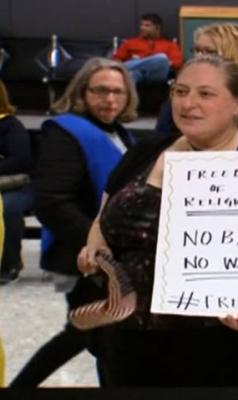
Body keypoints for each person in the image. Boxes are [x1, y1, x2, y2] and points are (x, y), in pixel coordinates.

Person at [78, 54, 238, 387]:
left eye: (205, 94)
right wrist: (94, 248)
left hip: (226, 350)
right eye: (180, 91)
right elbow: (102, 219)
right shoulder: (146, 150)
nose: (188, 103)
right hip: (129, 345)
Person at [10, 57, 138, 387]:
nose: (110, 100)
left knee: (95, 337)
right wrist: (98, 245)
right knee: (98, 337)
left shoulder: (118, 133)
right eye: (101, 91)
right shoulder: (66, 133)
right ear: (82, 92)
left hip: (112, 259)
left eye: (118, 93)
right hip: (86, 259)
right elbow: (52, 201)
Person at [155, 23, 238, 139]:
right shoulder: (181, 92)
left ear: (232, 55)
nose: (199, 57)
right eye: (197, 50)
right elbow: (161, 137)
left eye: (209, 52)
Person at [0, 80, 33, 285]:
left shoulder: (10, 124)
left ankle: (9, 264)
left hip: (16, 186)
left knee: (8, 208)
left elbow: (21, 161)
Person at [112, 13, 183, 84]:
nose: (142, 28)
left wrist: (154, 63)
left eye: (147, 25)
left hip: (156, 75)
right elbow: (116, 60)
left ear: (157, 27)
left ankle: (129, 67)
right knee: (134, 74)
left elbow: (177, 63)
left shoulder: (169, 45)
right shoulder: (130, 43)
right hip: (136, 74)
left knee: (161, 58)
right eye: (141, 25)